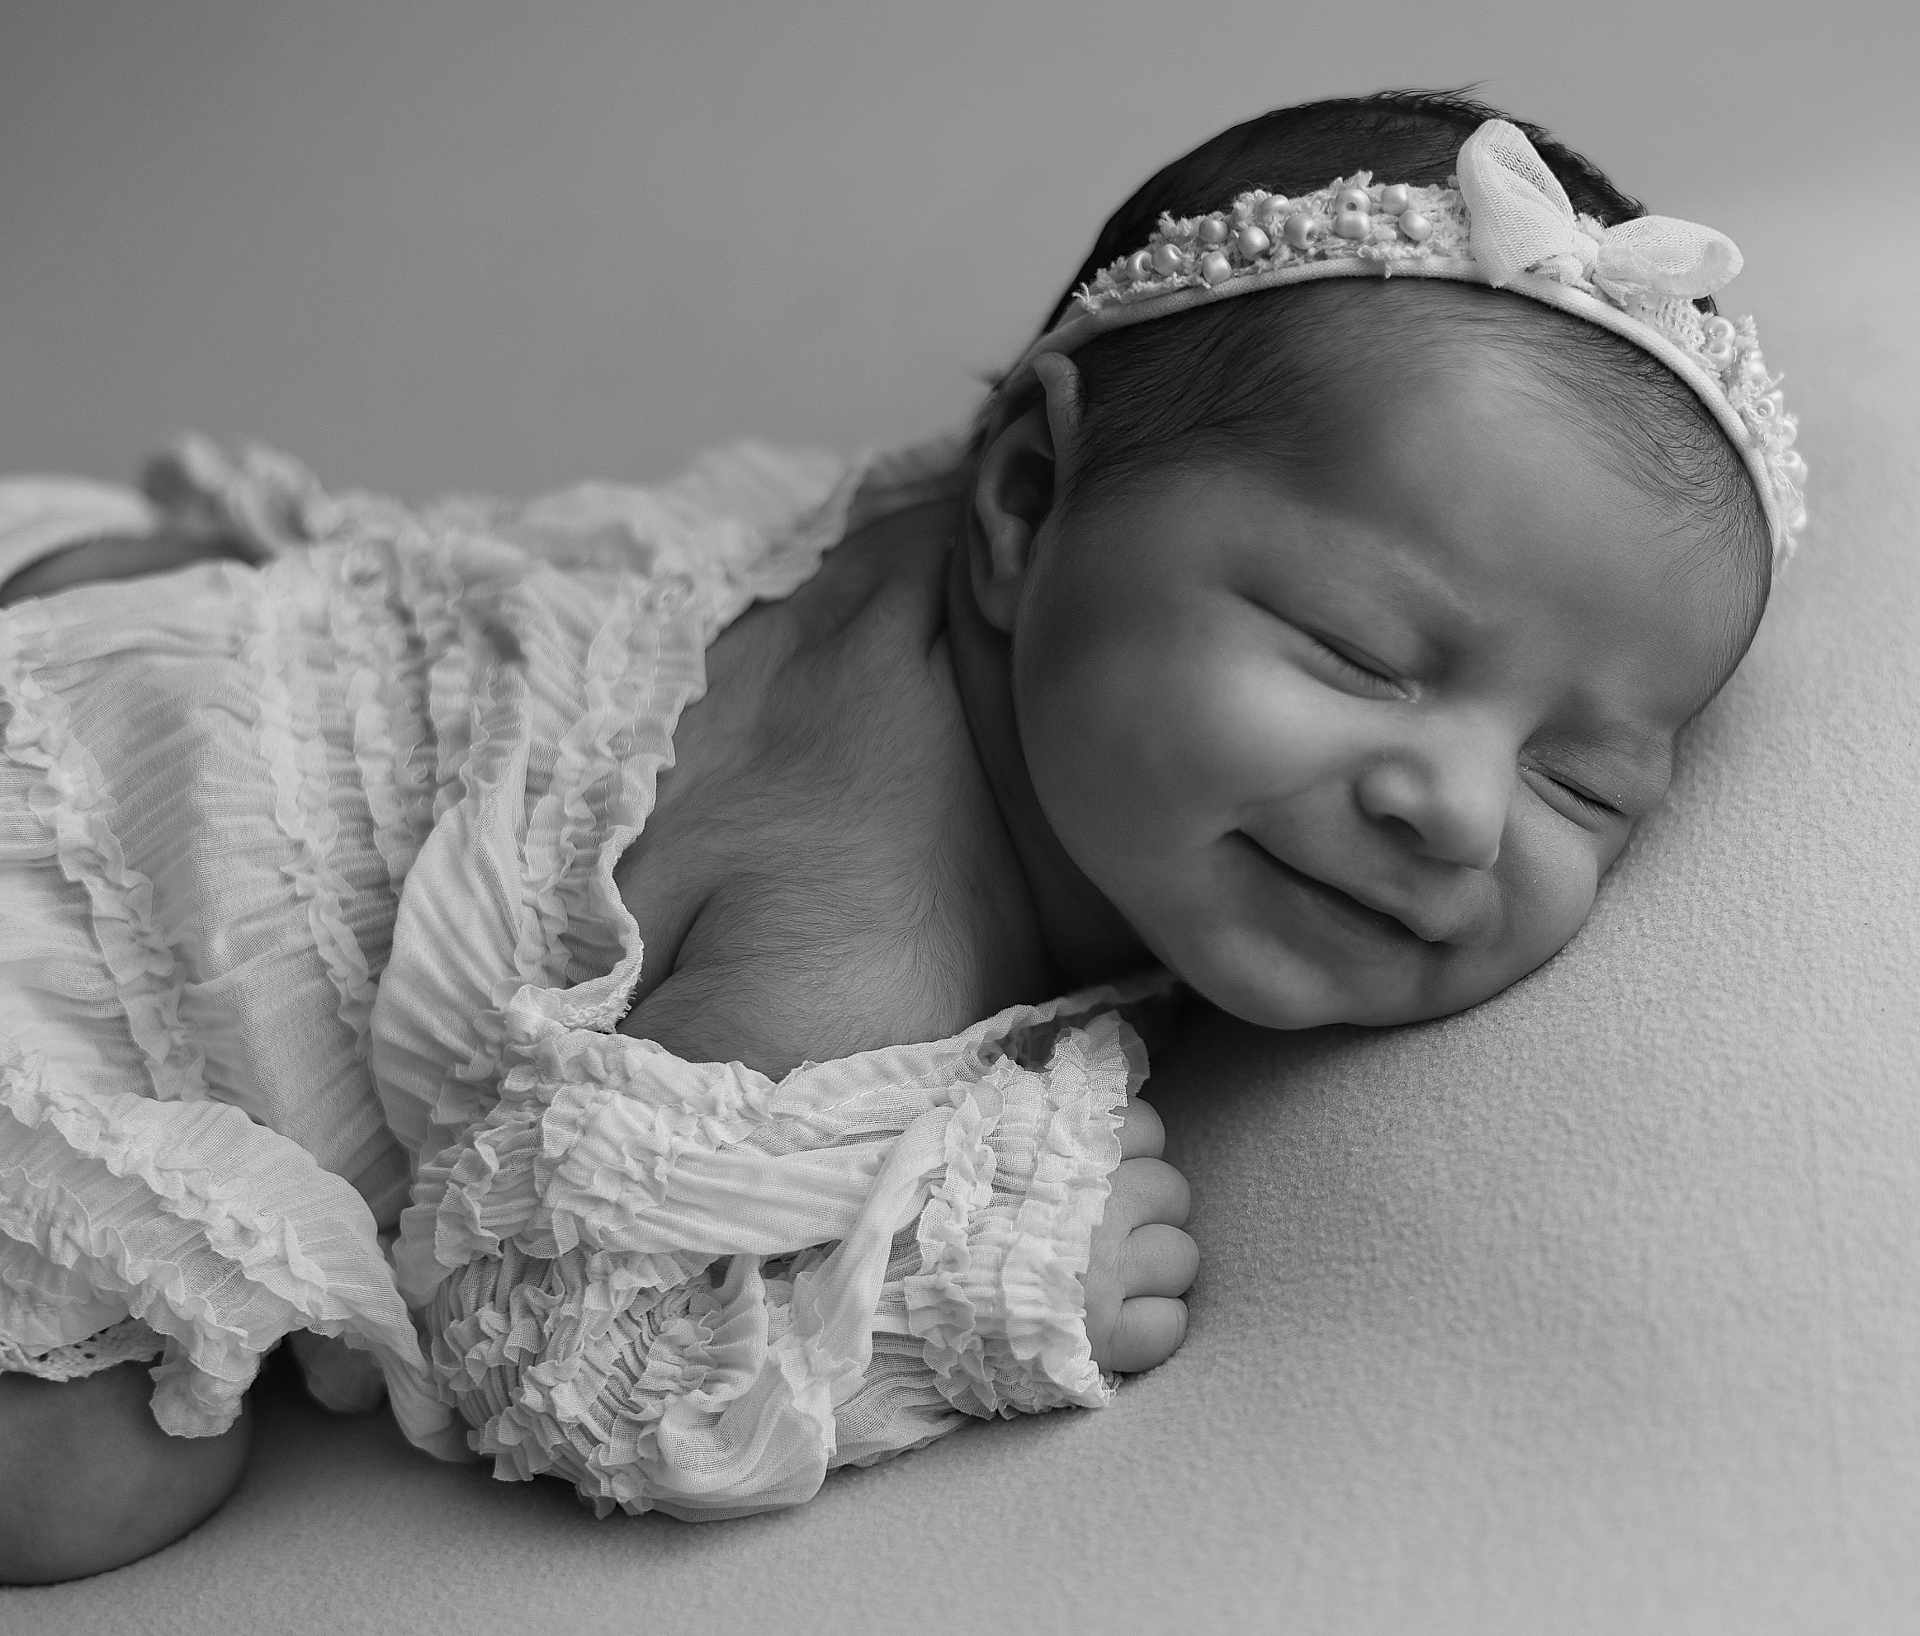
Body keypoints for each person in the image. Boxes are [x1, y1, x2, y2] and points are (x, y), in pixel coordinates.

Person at [0, 87, 1805, 1581]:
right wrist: (972, 1290)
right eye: (1356, 651)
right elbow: (552, 1338)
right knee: (93, 1473)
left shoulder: (927, 547)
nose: (1458, 806)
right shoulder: (859, 926)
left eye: (1584, 782)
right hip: (61, 956)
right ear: (1021, 495)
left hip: (144, 674)